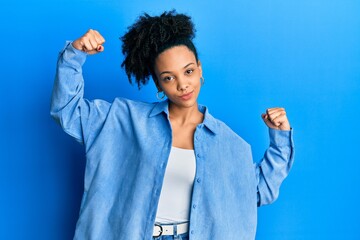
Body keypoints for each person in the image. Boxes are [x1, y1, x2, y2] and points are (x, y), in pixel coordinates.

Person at [50, 10, 294, 240]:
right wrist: (74, 55)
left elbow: (259, 191)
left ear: (200, 69)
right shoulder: (123, 119)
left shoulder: (228, 143)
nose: (183, 85)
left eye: (188, 71)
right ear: (158, 84)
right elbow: (68, 111)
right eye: (169, 77)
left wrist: (280, 138)